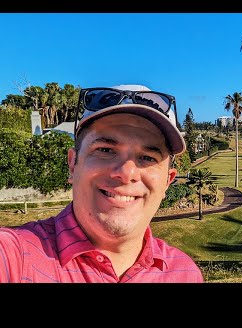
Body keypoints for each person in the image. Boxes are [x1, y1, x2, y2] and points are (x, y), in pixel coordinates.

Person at [0, 84, 204, 283]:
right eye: (105, 150)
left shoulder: (185, 273)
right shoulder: (15, 257)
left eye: (148, 157)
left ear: (168, 181)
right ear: (73, 164)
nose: (126, 173)